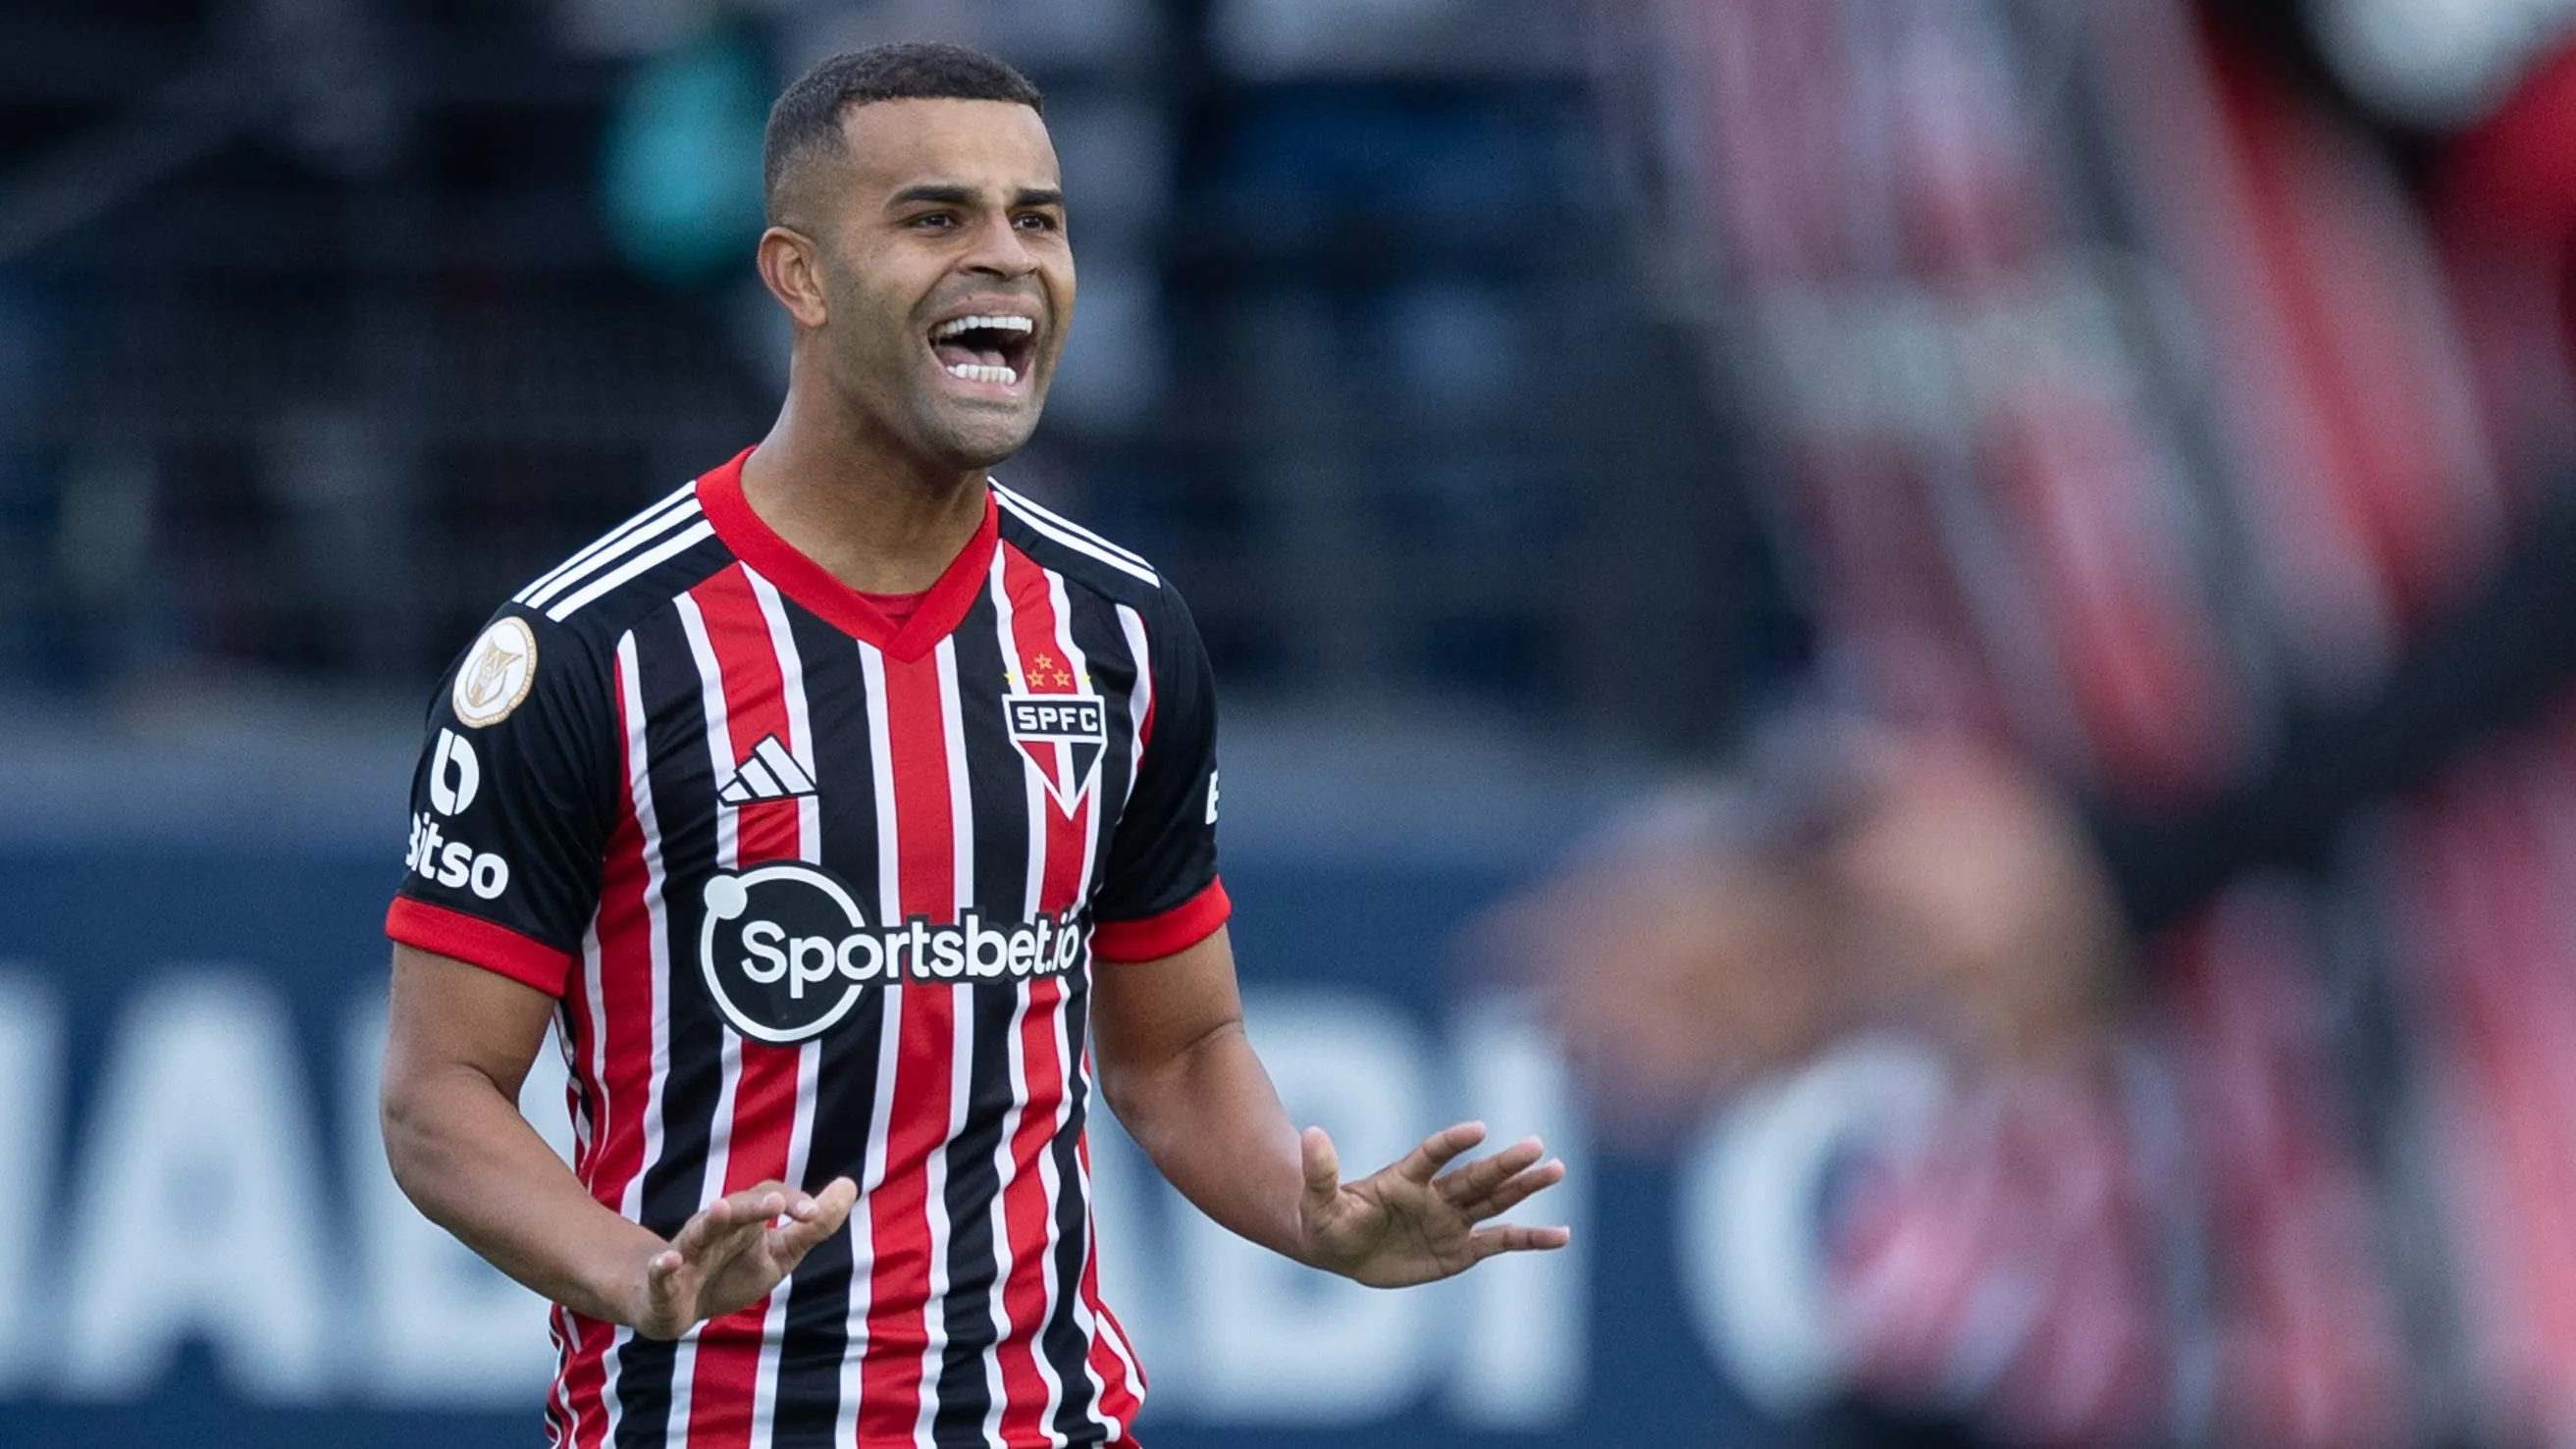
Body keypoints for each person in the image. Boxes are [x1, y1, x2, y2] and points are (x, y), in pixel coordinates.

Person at [377, 42, 1567, 1448]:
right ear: (799, 278)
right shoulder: (593, 649)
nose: (1006, 258)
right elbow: (437, 1097)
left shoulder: (1121, 632)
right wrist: (634, 1274)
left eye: (1039, 220)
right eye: (936, 218)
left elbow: (1176, 1052)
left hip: (1046, 1419)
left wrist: (1326, 1229)